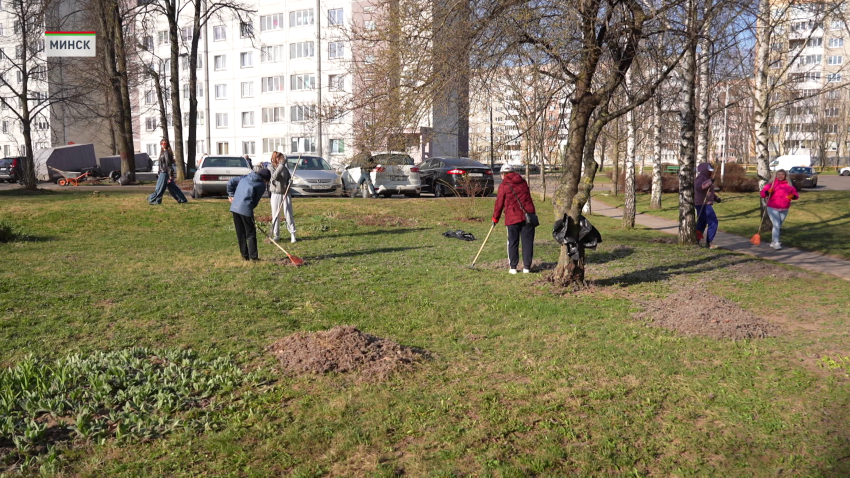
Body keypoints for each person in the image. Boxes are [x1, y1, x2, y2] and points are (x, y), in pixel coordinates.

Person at [493, 163, 536, 274]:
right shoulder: (523, 182)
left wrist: (495, 218)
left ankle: (513, 267)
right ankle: (527, 267)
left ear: (503, 174)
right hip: (528, 216)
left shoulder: (504, 185)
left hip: (512, 216)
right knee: (528, 242)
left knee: (512, 241)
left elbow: (499, 203)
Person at [227, 168, 272, 261]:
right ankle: (254, 257)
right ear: (265, 179)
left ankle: (244, 256)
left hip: (235, 207)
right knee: (251, 233)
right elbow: (255, 201)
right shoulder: (261, 185)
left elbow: (230, 182)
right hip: (245, 208)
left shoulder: (245, 177)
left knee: (241, 233)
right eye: (267, 181)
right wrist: (250, 210)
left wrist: (231, 194)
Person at [760, 169, 798, 250]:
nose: (780, 176)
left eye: (782, 175)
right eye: (779, 174)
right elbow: (762, 194)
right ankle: (776, 242)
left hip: (784, 208)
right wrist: (768, 192)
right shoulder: (771, 184)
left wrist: (792, 196)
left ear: (785, 176)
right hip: (772, 207)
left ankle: (773, 242)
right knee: (776, 225)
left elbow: (796, 195)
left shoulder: (789, 185)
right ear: (775, 176)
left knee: (778, 225)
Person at [268, 152, 297, 243]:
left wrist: (290, 181)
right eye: (281, 158)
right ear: (276, 158)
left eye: (283, 158)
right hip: (276, 193)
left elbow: (288, 177)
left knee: (288, 214)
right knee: (276, 215)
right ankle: (276, 235)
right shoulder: (270, 167)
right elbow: (275, 177)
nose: (282, 159)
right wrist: (281, 165)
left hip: (285, 193)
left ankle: (293, 234)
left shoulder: (285, 168)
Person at [148, 139, 188, 204]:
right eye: (162, 143)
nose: (163, 145)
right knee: (171, 188)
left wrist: (170, 176)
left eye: (164, 144)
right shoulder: (163, 153)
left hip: (164, 173)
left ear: (167, 145)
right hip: (163, 172)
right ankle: (182, 199)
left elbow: (168, 165)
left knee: (160, 187)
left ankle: (153, 199)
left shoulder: (166, 152)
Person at [694, 162, 720, 249]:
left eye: (711, 171)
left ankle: (696, 240)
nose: (710, 172)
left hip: (705, 203)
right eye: (709, 171)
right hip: (702, 204)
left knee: (702, 223)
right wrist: (709, 182)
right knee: (713, 222)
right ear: (704, 170)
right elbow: (698, 188)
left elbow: (708, 192)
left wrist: (716, 198)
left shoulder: (707, 178)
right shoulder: (700, 178)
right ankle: (709, 242)